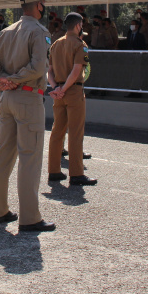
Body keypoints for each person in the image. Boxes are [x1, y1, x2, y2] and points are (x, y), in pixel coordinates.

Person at [0, 0, 55, 232]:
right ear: (38, 6)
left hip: (8, 98)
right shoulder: (39, 32)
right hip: (28, 98)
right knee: (29, 158)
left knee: (3, 155)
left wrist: (2, 78)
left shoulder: (7, 31)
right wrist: (14, 78)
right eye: (44, 4)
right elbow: (37, 68)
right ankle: (30, 218)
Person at [47, 12, 97, 186]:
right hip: (73, 91)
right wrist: (64, 88)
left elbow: (49, 71)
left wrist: (55, 88)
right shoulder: (79, 44)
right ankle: (76, 174)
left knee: (57, 132)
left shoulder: (55, 44)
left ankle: (53, 171)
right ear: (78, 26)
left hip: (58, 92)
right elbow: (77, 71)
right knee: (75, 133)